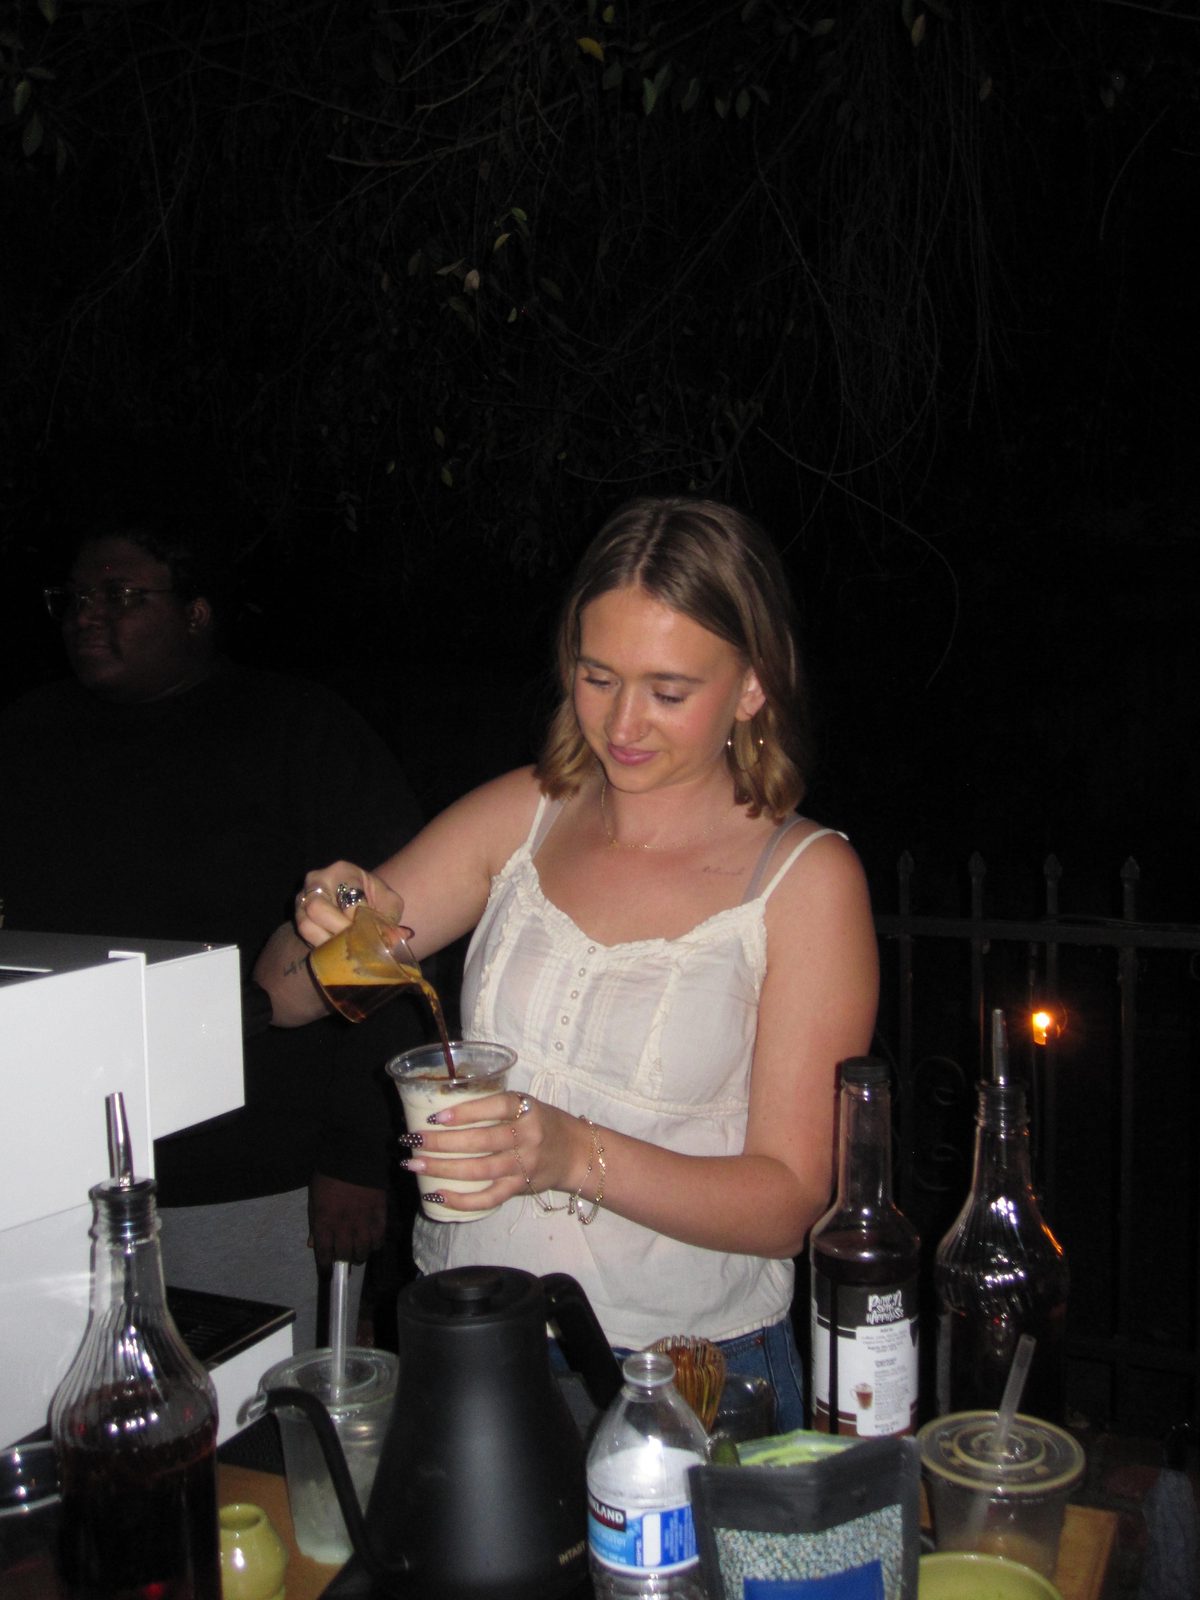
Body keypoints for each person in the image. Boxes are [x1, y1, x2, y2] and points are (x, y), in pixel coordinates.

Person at [254, 494, 878, 1425]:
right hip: (471, 1333)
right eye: (597, 676)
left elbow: (789, 1202)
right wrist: (332, 919)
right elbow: (284, 997)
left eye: (669, 691)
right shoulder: (526, 815)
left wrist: (569, 1152)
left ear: (751, 687)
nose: (623, 723)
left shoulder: (804, 880)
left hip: (687, 1376)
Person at [0, 497, 426, 1348]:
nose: (87, 616)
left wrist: (357, 1153)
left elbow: (392, 936)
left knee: (262, 1403)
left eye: (120, 597)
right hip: (60, 1176)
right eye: (74, 598)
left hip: (257, 1173)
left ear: (196, 614)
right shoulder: (27, 735)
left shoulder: (296, 729)